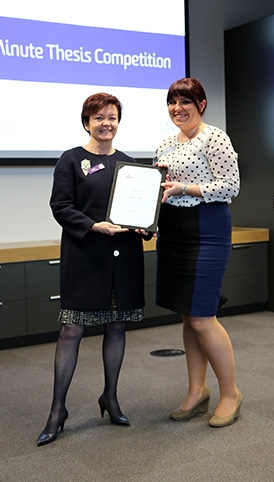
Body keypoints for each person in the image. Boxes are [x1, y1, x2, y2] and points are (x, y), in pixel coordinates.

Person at [37, 92, 151, 446]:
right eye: (99, 117)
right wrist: (93, 225)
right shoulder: (71, 160)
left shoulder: (132, 165)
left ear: (119, 122)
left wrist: (148, 225)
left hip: (123, 256)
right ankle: (57, 411)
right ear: (87, 121)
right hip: (86, 254)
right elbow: (61, 206)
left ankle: (111, 397)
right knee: (71, 329)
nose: (106, 123)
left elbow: (143, 210)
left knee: (116, 326)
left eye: (112, 117)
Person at [154, 78, 242, 428]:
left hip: (207, 229)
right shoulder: (164, 144)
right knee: (187, 314)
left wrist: (186, 187)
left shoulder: (214, 137)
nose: (178, 108)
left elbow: (231, 184)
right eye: (172, 102)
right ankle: (196, 391)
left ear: (201, 104)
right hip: (173, 232)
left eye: (185, 101)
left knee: (203, 317)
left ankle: (231, 393)